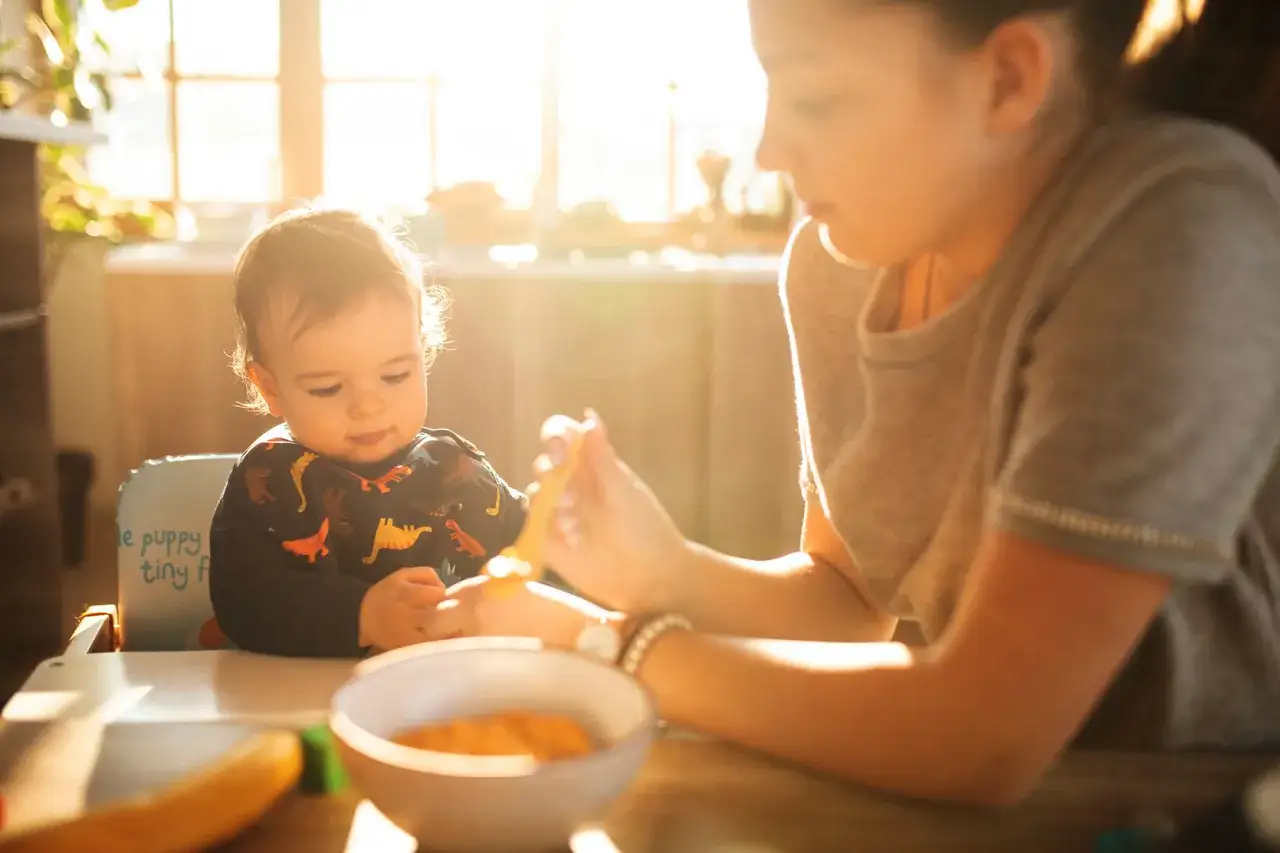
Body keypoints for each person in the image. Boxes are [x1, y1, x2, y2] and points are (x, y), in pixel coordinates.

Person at [448, 0, 1280, 806]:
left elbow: (982, 732)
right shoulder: (838, 261)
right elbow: (848, 604)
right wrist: (662, 570)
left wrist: (609, 645)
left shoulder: (1176, 224)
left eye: (814, 97)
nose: (769, 149)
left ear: (1008, 79)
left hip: (1182, 807)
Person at [207, 208, 527, 658]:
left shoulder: (451, 467)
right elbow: (243, 603)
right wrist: (361, 615)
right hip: (307, 699)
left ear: (423, 350)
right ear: (271, 388)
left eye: (395, 376)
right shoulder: (270, 481)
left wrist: (567, 529)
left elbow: (527, 548)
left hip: (446, 695)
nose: (368, 406)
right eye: (328, 387)